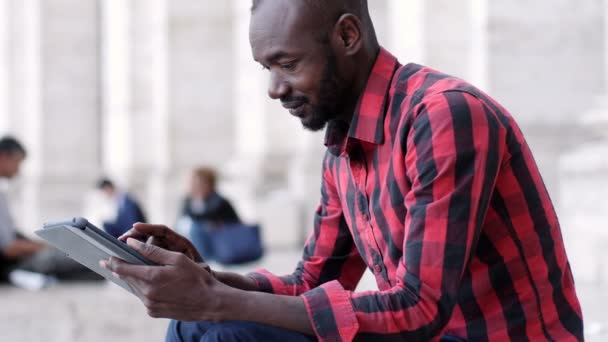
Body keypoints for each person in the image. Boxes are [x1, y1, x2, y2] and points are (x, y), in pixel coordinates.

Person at [101, 1, 584, 341]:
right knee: (195, 326)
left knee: (233, 333)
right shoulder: (343, 146)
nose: (274, 88)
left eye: (287, 64)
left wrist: (215, 299)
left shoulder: (442, 116)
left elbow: (419, 311)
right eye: (265, 68)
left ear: (347, 36)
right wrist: (208, 279)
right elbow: (308, 283)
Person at [0, 136, 101, 283]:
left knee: (79, 257)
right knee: (86, 261)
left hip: (15, 260)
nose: (18, 170)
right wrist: (45, 246)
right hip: (10, 266)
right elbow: (9, 248)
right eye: (17, 162)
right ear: (4, 157)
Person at [179, 167, 241, 260]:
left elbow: (234, 223)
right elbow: (182, 220)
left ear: (210, 184)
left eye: (199, 183)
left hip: (221, 242)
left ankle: (199, 260)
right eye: (193, 183)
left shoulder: (219, 201)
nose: (195, 186)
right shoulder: (188, 200)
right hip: (198, 242)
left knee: (196, 227)